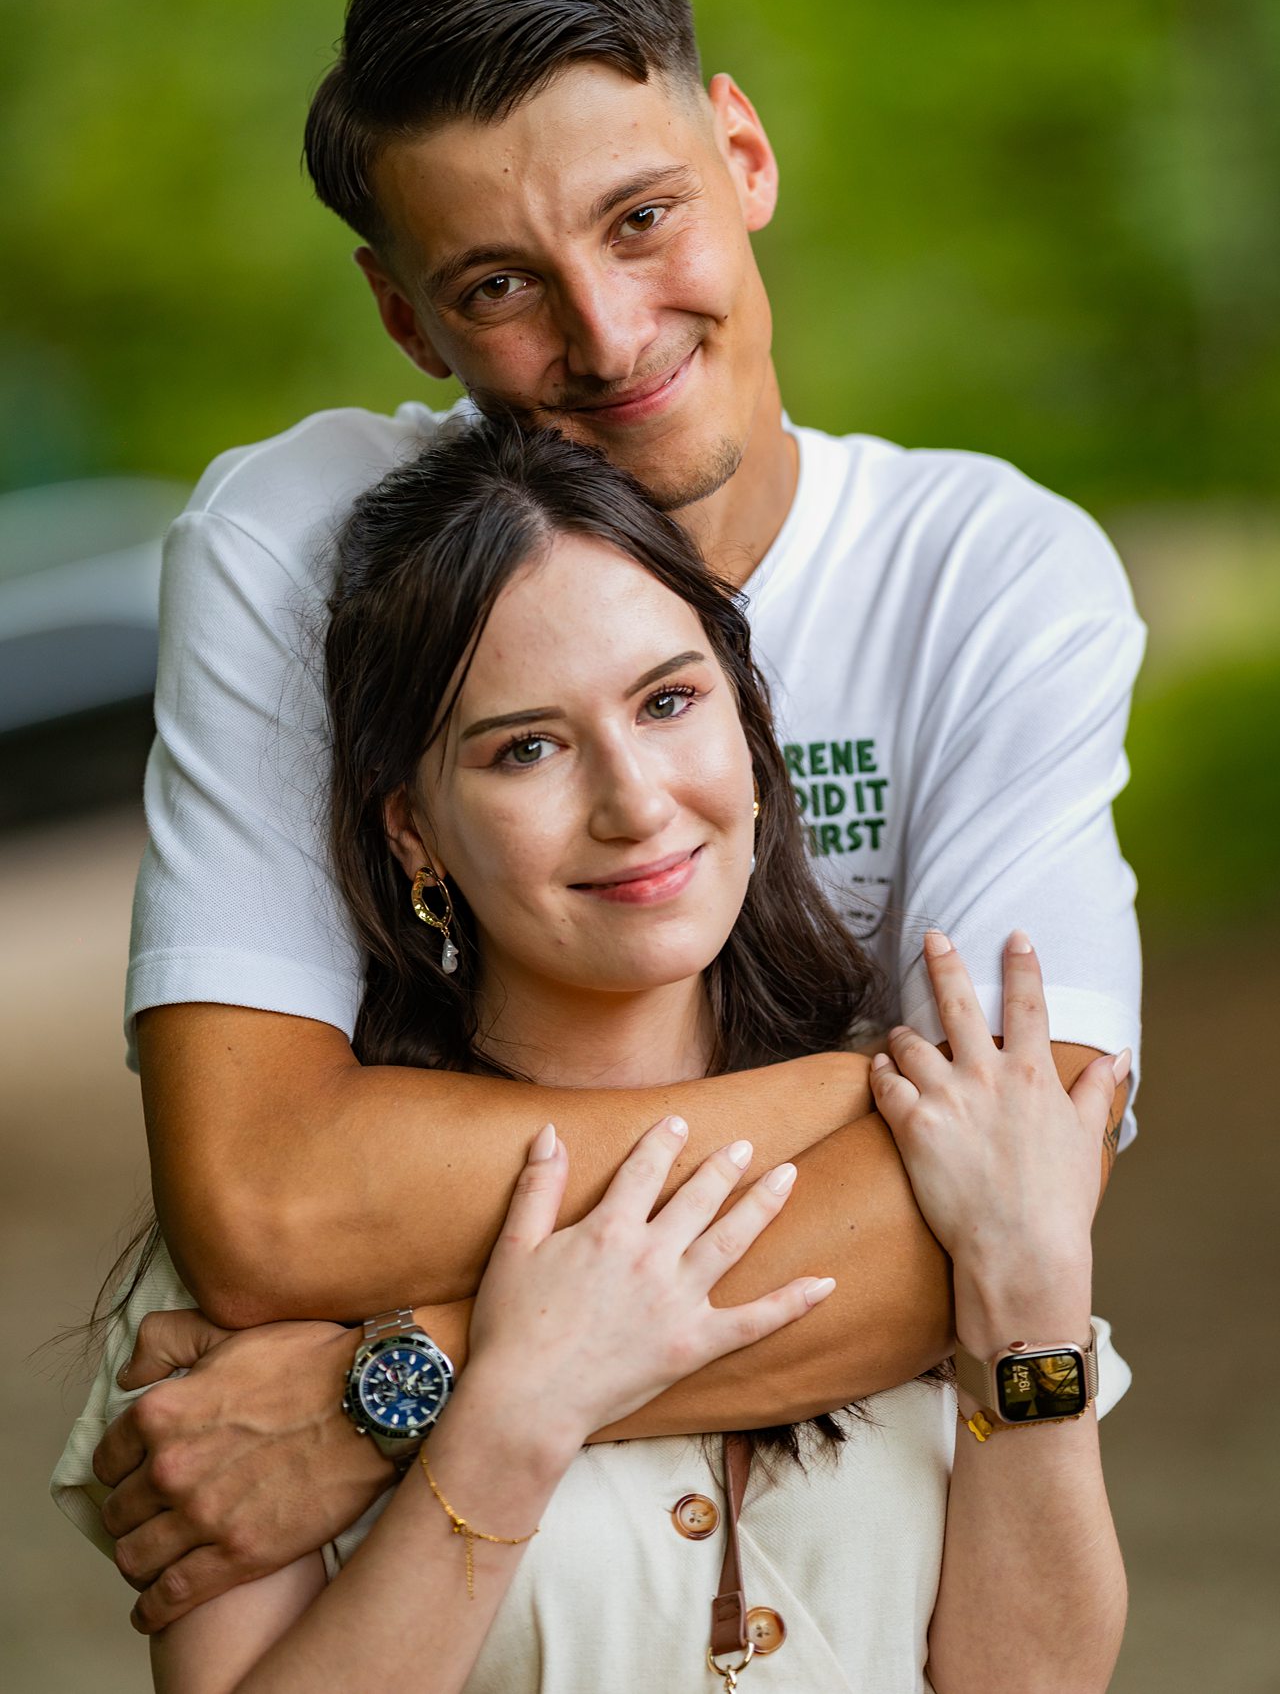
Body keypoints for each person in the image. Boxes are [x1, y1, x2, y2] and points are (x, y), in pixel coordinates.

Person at [74, 0, 1143, 1632]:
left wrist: (393, 1387)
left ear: (743, 151)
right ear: (404, 316)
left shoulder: (991, 573)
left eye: (643, 216)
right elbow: (269, 1200)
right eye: (498, 283)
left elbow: (995, 1225)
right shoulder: (306, 550)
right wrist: (867, 1090)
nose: (611, 329)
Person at [61, 420, 1130, 1692]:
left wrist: (1024, 1302)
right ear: (414, 834)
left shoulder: (929, 1164)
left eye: (669, 701)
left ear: (747, 725)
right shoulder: (268, 1273)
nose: (633, 801)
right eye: (527, 746)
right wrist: (510, 1411)